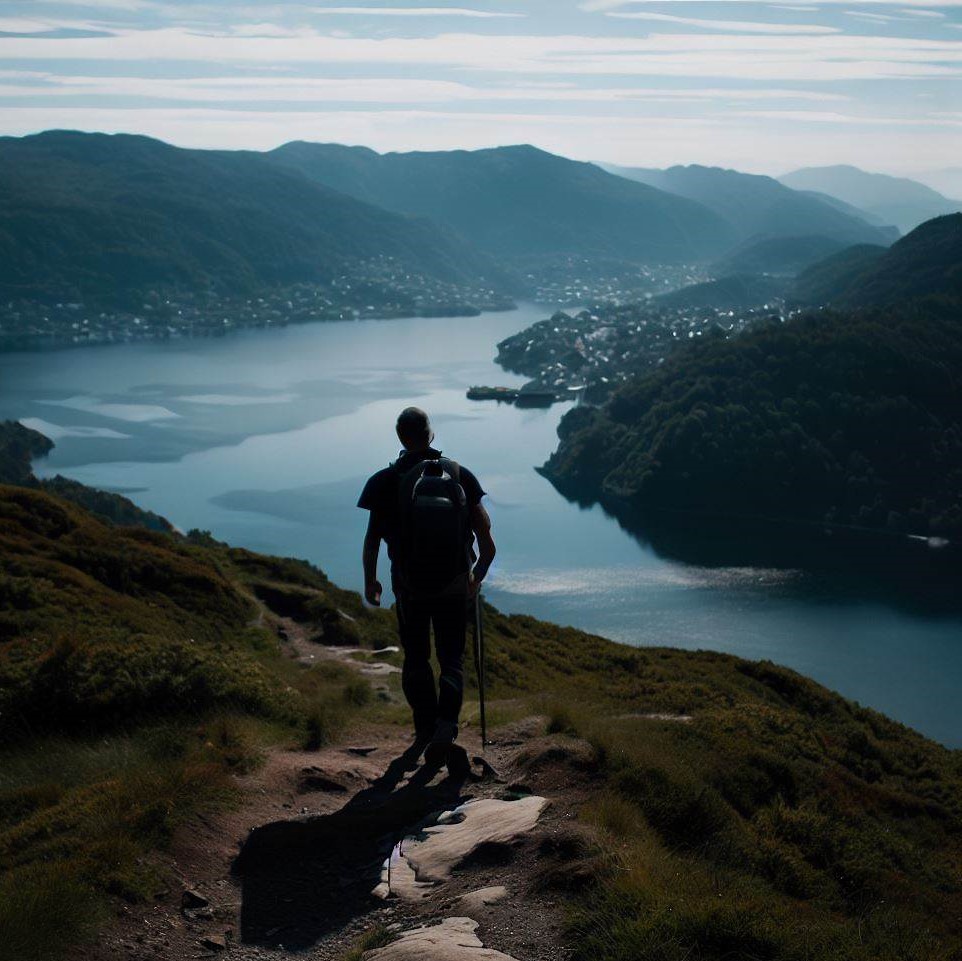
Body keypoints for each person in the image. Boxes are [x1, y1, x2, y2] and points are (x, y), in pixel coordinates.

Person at [357, 407, 495, 768]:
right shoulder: (459, 476)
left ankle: (424, 729)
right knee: (451, 658)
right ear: (430, 434)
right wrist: (474, 578)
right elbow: (488, 544)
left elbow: (372, 541)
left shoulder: (384, 481)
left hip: (410, 588)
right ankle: (446, 729)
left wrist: (370, 580)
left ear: (401, 437)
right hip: (453, 586)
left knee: (417, 658)